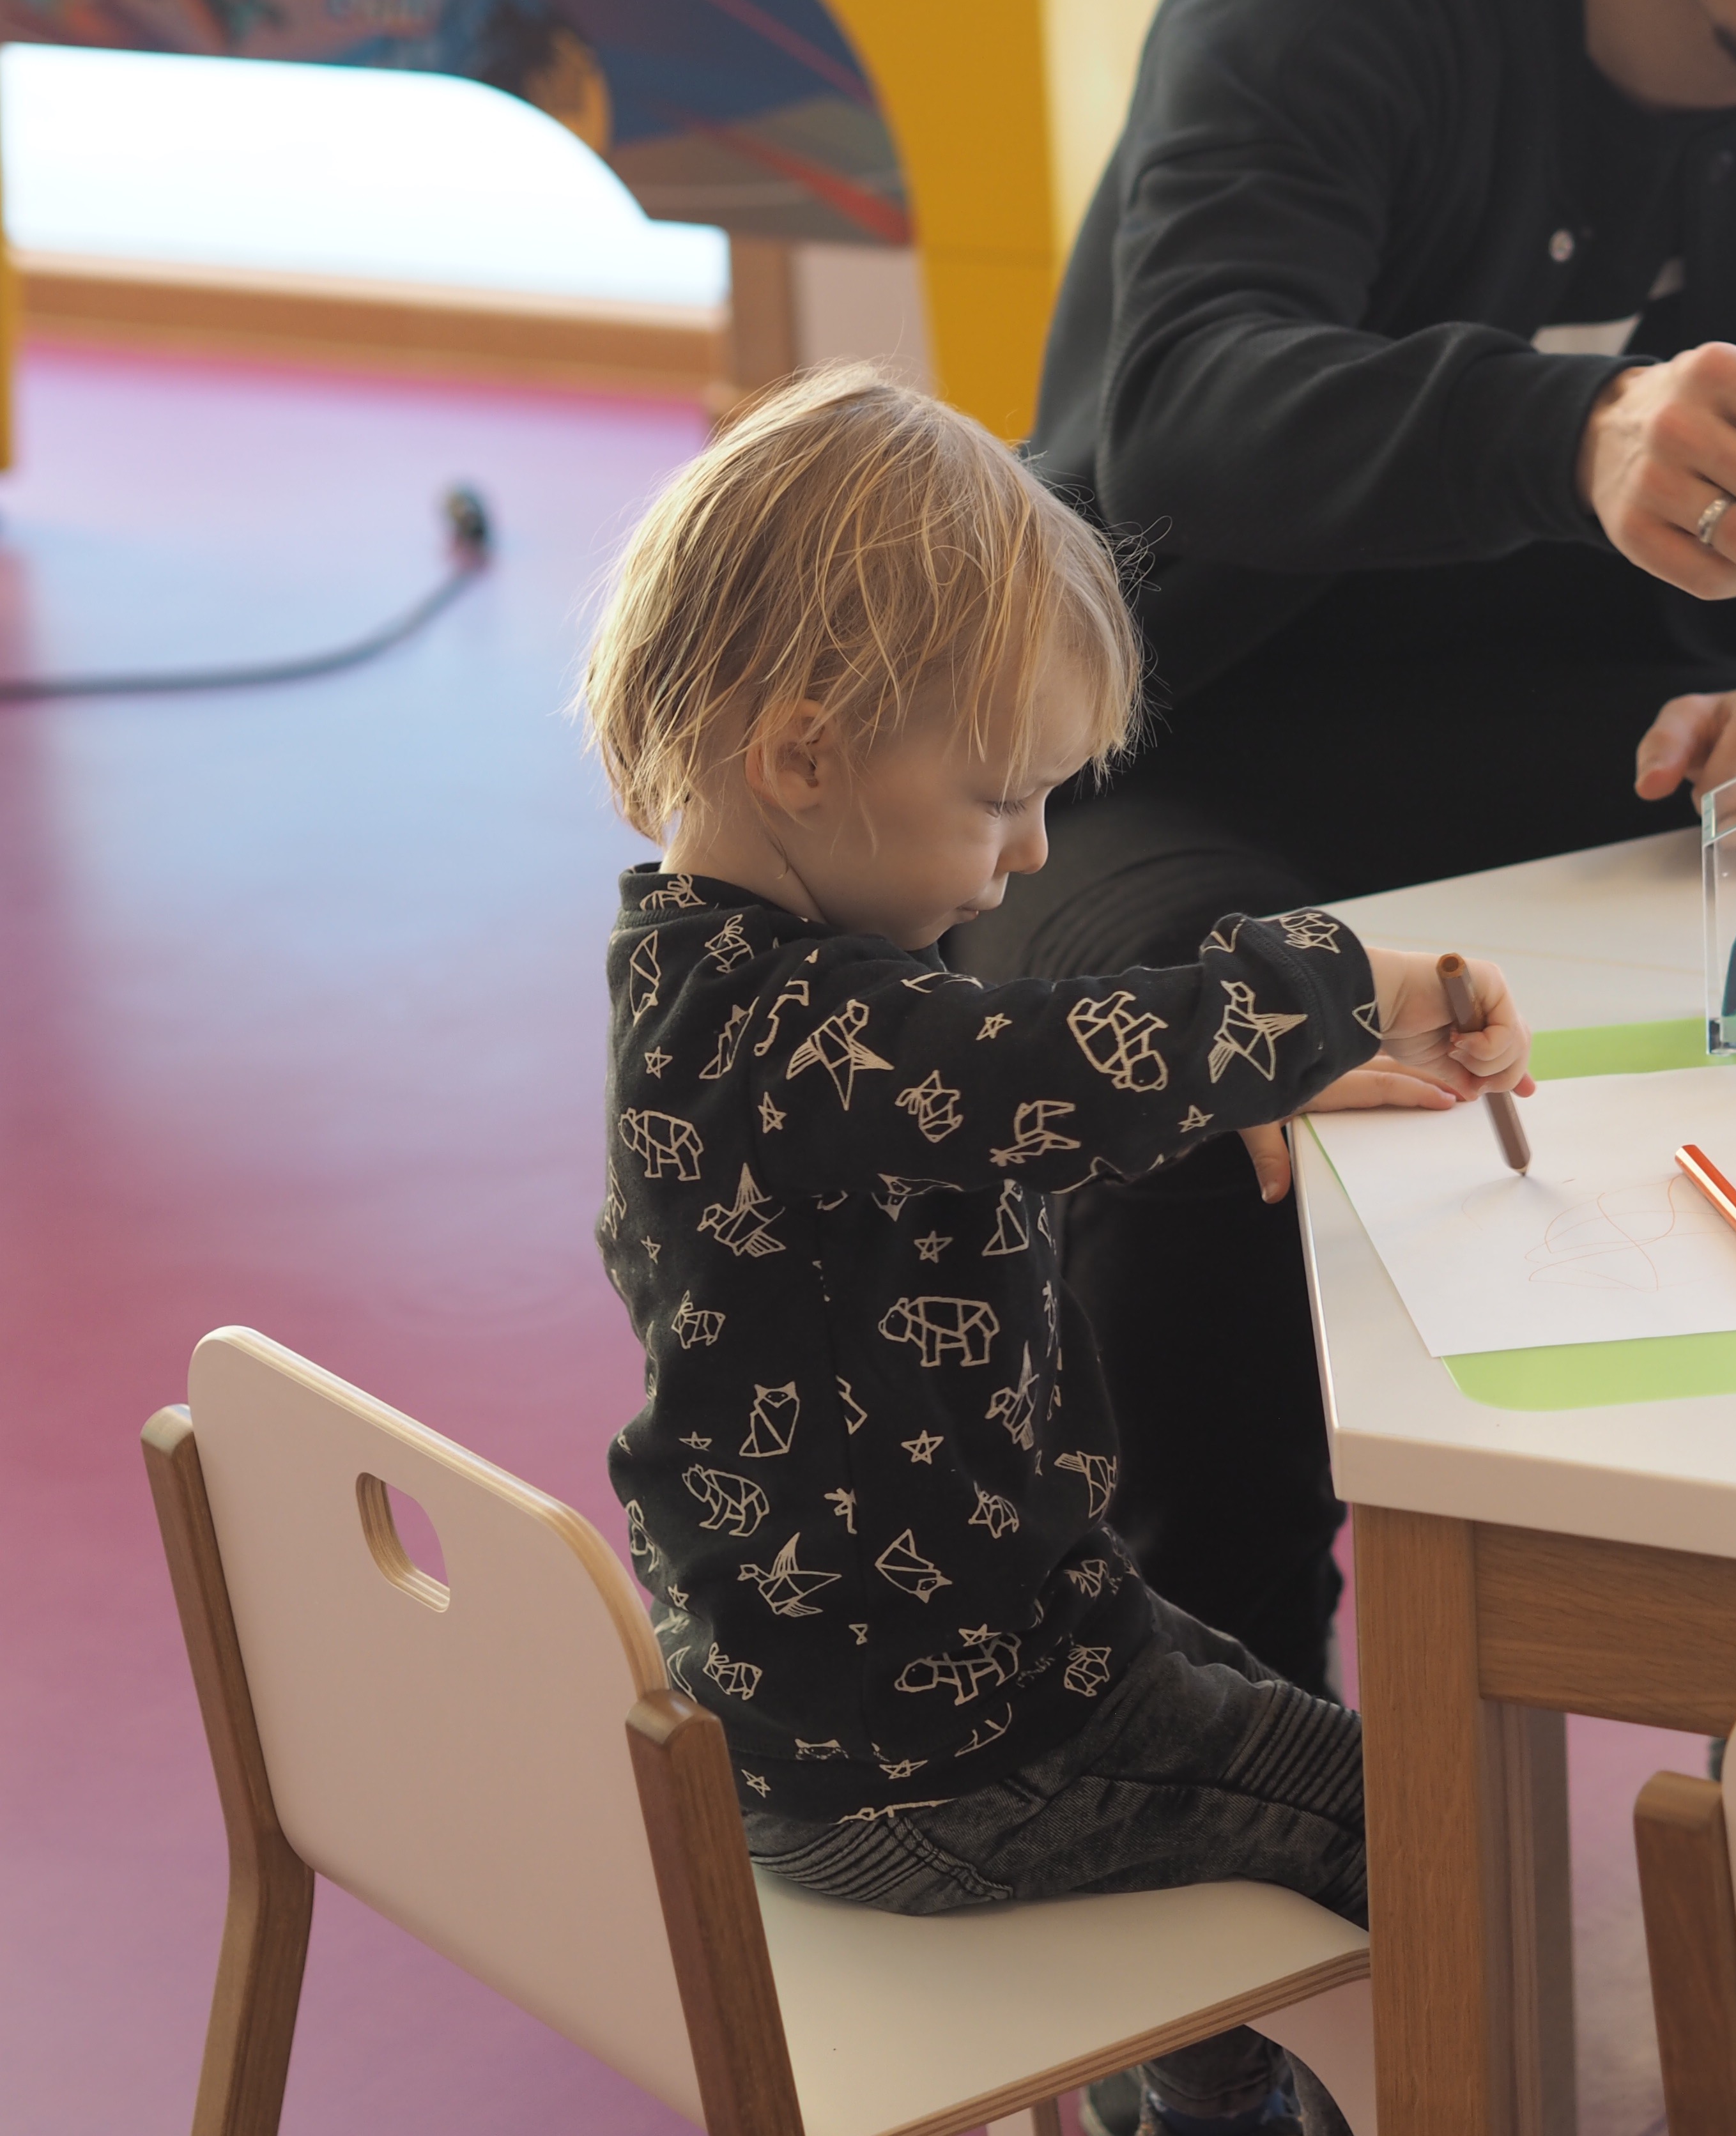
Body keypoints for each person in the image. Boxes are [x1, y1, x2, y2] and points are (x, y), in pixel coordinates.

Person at [962, 0, 1736, 1705]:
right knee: (1211, 1068)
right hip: (1190, 738)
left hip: (1657, 747)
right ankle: (1241, 1765)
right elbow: (1179, 403)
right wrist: (1573, 432)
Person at [578, 365, 1532, 2134]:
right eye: (1001, 798)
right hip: (937, 1759)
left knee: (1247, 1706)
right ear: (802, 753)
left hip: (844, 1682)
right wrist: (1343, 987)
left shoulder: (697, 970)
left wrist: (1232, 1087)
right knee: (1434, 1829)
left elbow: (987, 1099)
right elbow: (1024, 1062)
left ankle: (1192, 2099)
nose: (1030, 855)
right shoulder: (817, 1038)